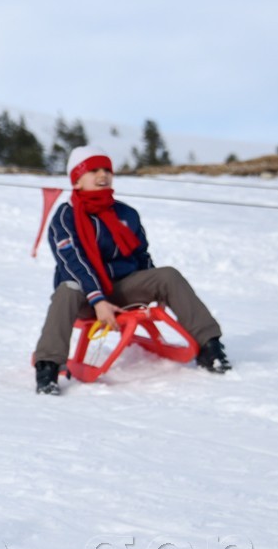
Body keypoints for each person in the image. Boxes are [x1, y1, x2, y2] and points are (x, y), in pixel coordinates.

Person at [32, 145, 231, 395]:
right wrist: (98, 300)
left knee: (167, 275)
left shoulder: (126, 214)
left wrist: (155, 292)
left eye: (107, 170)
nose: (103, 175)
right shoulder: (66, 216)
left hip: (123, 288)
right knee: (67, 289)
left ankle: (210, 346)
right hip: (84, 295)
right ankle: (47, 367)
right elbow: (73, 262)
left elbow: (141, 256)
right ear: (77, 179)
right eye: (94, 170)